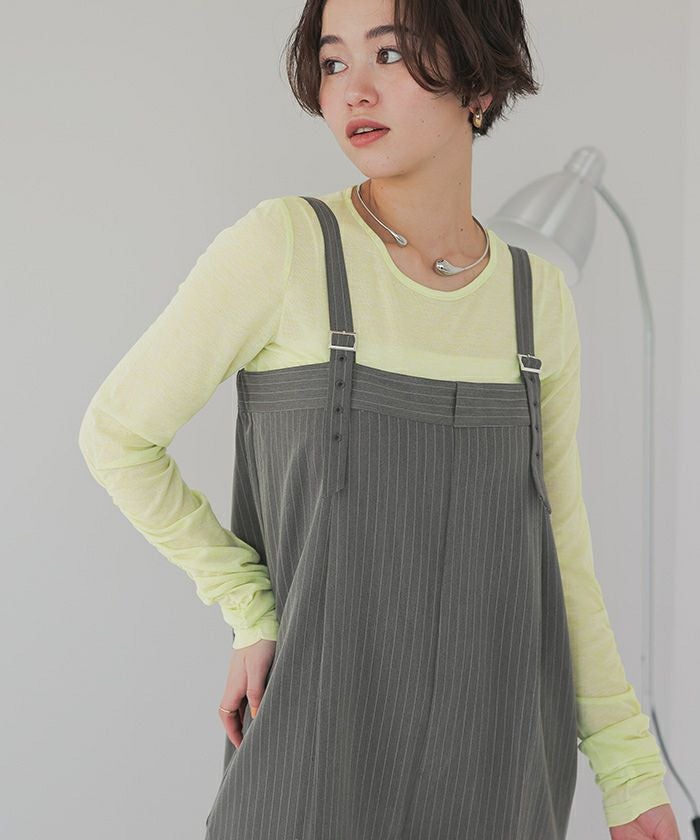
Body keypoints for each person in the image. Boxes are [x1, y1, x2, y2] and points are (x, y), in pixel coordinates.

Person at [78, 0, 681, 837]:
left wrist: (631, 772)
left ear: (479, 81)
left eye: (390, 55)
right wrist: (249, 605)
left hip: (499, 763)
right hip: (316, 748)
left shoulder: (535, 299)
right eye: (333, 63)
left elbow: (563, 554)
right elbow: (117, 436)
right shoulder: (285, 247)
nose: (353, 89)